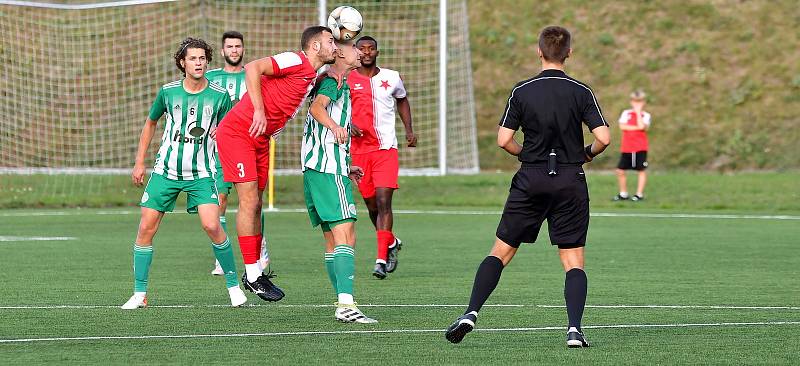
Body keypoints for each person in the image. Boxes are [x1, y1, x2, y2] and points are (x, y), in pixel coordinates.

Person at [444, 26, 611, 348]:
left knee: (501, 252)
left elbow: (503, 140)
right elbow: (603, 138)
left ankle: (470, 313)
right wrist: (584, 155)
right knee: (573, 260)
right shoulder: (581, 91)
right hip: (569, 178)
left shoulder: (522, 91)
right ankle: (574, 330)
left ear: (539, 51)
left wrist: (529, 156)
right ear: (569, 53)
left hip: (531, 177)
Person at [122, 37, 246, 309]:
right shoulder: (168, 92)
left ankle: (234, 287)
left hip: (202, 172)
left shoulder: (219, 95)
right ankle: (139, 294)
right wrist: (139, 162)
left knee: (213, 225)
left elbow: (231, 126)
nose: (199, 63)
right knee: (145, 228)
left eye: (202, 58)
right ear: (182, 62)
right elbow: (151, 122)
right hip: (166, 171)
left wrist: (222, 131)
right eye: (193, 58)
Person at [215, 26, 338, 302]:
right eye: (330, 41)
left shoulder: (311, 75)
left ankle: (255, 271)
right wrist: (258, 109)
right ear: (315, 46)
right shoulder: (295, 60)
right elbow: (253, 67)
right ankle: (253, 275)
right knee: (248, 201)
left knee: (256, 204)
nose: (335, 46)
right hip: (239, 132)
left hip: (261, 139)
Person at [303, 39, 376, 323]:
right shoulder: (333, 79)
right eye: (353, 47)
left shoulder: (336, 81)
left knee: (334, 239)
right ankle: (345, 305)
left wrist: (346, 165)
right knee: (347, 233)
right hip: (326, 168)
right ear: (341, 54)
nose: (360, 52)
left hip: (319, 167)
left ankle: (343, 301)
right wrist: (335, 127)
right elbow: (317, 109)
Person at [346, 36, 417, 279]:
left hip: (386, 149)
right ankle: (391, 241)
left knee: (384, 200)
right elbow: (334, 107)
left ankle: (380, 259)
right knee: (372, 206)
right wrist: (347, 123)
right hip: (358, 152)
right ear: (356, 51)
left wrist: (409, 130)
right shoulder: (346, 78)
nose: (367, 52)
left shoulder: (392, 77)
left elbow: (402, 99)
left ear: (377, 51)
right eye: (362, 49)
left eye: (371, 48)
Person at [206, 31, 270, 276]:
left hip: (250, 145)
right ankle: (222, 258)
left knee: (253, 202)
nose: (234, 50)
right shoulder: (211, 78)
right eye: (229, 47)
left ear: (243, 50)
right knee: (219, 201)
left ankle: (260, 249)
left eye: (238, 46)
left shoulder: (253, 77)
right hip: (219, 148)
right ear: (222, 51)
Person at [613, 90, 651, 201]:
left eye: (639, 101)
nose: (637, 103)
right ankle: (623, 193)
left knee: (641, 170)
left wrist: (638, 112)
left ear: (643, 102)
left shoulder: (645, 115)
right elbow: (623, 127)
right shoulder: (626, 113)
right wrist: (637, 128)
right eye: (635, 101)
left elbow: (642, 126)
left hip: (640, 147)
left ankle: (639, 194)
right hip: (627, 147)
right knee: (620, 170)